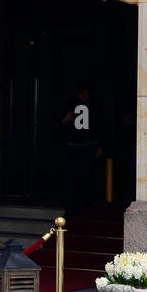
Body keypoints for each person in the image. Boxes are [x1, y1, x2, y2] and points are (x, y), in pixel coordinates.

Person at [60, 85, 102, 213]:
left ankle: (82, 203)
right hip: (81, 145)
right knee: (80, 176)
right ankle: (79, 203)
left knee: (82, 175)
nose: (84, 97)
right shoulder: (89, 106)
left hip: (81, 145)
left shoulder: (79, 105)